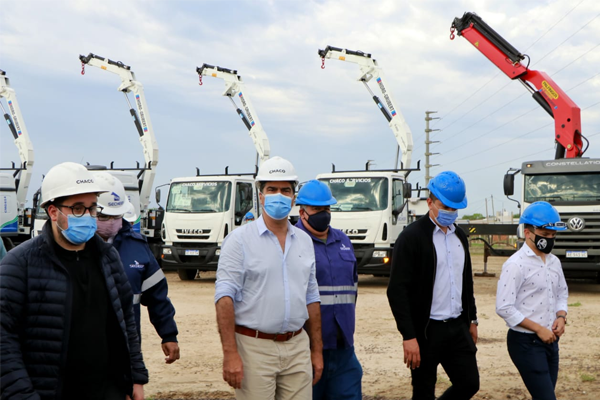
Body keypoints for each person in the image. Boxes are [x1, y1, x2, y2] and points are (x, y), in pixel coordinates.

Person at [0, 162, 148, 400]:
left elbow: (126, 323)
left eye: (91, 209)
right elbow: (3, 339)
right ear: (53, 212)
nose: (88, 216)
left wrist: (135, 377)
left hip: (107, 391)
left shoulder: (108, 257)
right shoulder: (20, 264)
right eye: (78, 209)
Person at [214, 156, 323, 400]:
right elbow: (224, 298)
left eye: (285, 190)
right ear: (260, 195)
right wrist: (230, 353)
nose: (279, 195)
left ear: (294, 198)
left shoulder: (304, 241)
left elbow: (311, 298)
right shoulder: (239, 241)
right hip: (254, 348)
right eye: (271, 189)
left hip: (297, 346)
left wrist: (316, 351)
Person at [387, 171, 479, 400]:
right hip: (425, 331)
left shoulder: (460, 237)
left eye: (454, 208)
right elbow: (397, 290)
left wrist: (472, 319)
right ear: (430, 202)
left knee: (469, 384)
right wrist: (408, 336)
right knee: (423, 391)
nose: (450, 212)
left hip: (457, 327)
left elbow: (466, 282)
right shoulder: (411, 238)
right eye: (445, 206)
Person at [93, 172, 180, 365]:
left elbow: (157, 297)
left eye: (116, 216)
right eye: (104, 216)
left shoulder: (137, 247)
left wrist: (168, 334)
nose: (111, 222)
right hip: (82, 349)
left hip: (124, 347)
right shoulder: (75, 247)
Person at [295, 180, 362, 400]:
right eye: (317, 209)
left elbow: (352, 287)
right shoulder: (293, 242)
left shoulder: (343, 240)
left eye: (326, 209)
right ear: (302, 212)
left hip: (343, 348)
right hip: (306, 349)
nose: (323, 214)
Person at [496, 201, 569, 400]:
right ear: (528, 233)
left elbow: (561, 293)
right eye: (545, 236)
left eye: (553, 236)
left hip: (551, 340)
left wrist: (561, 317)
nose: (550, 240)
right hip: (526, 342)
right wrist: (538, 328)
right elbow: (504, 307)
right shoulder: (515, 265)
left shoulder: (554, 262)